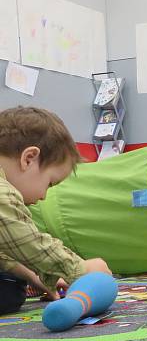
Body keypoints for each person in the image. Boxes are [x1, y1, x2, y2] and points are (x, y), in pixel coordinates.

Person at [0, 107, 111, 313]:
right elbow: (30, 243)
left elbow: (4, 249)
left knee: (14, 282)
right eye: (50, 183)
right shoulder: (3, 192)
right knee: (10, 292)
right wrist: (80, 269)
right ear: (29, 159)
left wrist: (36, 275)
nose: (43, 196)